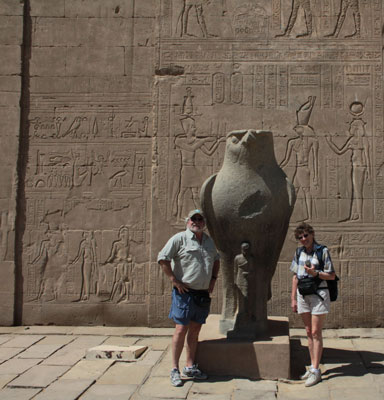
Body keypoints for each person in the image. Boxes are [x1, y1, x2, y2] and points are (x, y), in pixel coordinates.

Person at [158, 209, 220, 387]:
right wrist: (174, 280)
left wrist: (213, 279)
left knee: (194, 331)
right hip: (184, 293)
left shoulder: (208, 241)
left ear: (204, 223)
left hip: (201, 294)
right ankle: (174, 369)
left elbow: (216, 259)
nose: (197, 222)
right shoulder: (179, 239)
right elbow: (163, 258)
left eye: (200, 219)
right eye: (194, 219)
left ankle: (190, 366)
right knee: (180, 329)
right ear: (188, 222)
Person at [290, 223, 335, 387]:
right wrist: (293, 298)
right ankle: (312, 366)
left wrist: (315, 273)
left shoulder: (322, 251)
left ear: (312, 234)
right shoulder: (298, 252)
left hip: (318, 293)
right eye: (300, 237)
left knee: (316, 331)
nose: (303, 239)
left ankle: (316, 370)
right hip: (303, 293)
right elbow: (295, 276)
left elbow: (331, 275)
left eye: (305, 236)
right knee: (308, 331)